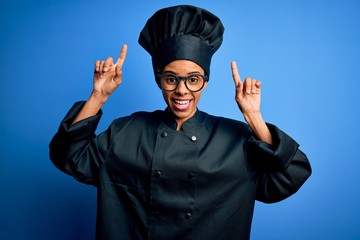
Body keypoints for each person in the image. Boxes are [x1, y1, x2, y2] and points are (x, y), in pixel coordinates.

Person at [49, 5, 311, 240]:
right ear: (158, 79)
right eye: (171, 79)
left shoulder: (237, 139)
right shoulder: (126, 131)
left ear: (205, 81)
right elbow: (69, 156)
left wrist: (254, 117)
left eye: (193, 79)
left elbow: (290, 175)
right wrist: (98, 96)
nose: (182, 90)